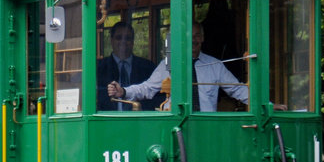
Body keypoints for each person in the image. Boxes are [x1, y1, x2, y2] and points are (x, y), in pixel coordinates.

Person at [107, 22, 248, 111]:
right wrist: (123, 91)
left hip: (207, 127)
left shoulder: (215, 65)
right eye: (189, 36)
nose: (193, 40)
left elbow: (237, 89)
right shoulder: (169, 64)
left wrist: (263, 104)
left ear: (203, 38)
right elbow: (147, 89)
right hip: (177, 126)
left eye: (197, 35)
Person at [97, 21, 157, 110]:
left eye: (127, 38)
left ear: (133, 41)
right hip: (107, 121)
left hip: (140, 121)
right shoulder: (98, 68)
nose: (123, 41)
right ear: (111, 40)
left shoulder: (148, 67)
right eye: (119, 37)